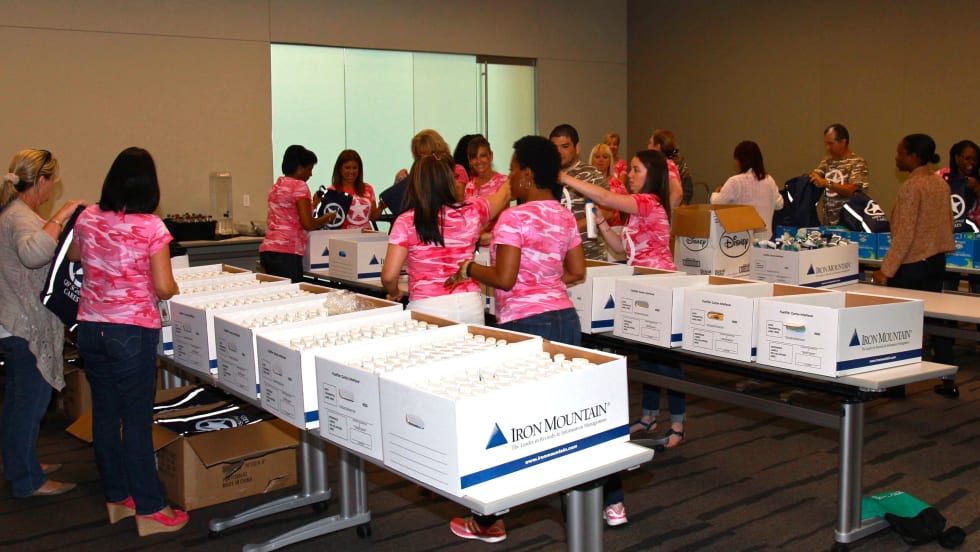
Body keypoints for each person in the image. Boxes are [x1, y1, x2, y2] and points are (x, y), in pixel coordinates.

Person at [444, 135, 595, 541]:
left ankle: (489, 520)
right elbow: (576, 270)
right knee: (563, 416)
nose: (509, 177)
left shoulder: (513, 218)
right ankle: (580, 509)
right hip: (565, 319)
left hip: (525, 324)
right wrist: (544, 283)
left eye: (512, 170)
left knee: (509, 423)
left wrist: (469, 269)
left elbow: (505, 278)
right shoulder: (563, 215)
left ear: (527, 174)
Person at [67, 147, 189, 535]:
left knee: (105, 415)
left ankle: (118, 497)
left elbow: (74, 256)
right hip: (131, 330)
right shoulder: (151, 227)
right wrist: (173, 286)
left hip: (91, 327)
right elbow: (164, 287)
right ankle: (151, 507)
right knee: (136, 421)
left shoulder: (88, 217)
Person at [561, 150, 686, 448]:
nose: (629, 174)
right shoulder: (639, 209)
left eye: (636, 169)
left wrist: (566, 177)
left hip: (660, 286)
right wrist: (602, 224)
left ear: (652, 174)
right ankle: (649, 417)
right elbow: (621, 248)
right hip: (642, 287)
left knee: (667, 363)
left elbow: (606, 196)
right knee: (649, 359)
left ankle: (678, 424)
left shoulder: (649, 201)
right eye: (630, 169)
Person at [0, 149, 84, 498]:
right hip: (22, 327)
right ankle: (27, 479)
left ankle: (20, 463)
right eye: (52, 181)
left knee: (18, 402)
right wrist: (64, 215)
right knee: (29, 404)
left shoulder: (14, 212)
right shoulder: (19, 216)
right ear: (42, 181)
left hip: (12, 323)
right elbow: (33, 253)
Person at [382, 153, 509, 325]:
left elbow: (389, 276)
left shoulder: (406, 221)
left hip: (427, 307)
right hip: (470, 304)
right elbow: (504, 194)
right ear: (450, 180)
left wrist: (394, 291)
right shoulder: (472, 210)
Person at [871, 134, 955, 364]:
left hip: (912, 266)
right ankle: (947, 371)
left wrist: (886, 270)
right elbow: (949, 222)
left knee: (898, 322)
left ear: (914, 157)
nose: (896, 158)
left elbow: (905, 234)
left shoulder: (912, 186)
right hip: (936, 262)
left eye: (901, 153)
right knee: (936, 320)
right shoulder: (941, 183)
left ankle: (897, 373)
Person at [259, 145, 335, 282]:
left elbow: (290, 214)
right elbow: (308, 224)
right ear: (299, 168)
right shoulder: (300, 186)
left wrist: (313, 205)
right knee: (292, 291)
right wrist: (327, 217)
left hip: (269, 250)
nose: (310, 174)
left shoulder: (277, 186)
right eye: (309, 169)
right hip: (288, 252)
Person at [549, 124, 609, 261]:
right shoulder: (545, 176)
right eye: (554, 147)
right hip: (555, 258)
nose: (558, 152)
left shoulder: (592, 174)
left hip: (589, 256)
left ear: (577, 148)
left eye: (565, 146)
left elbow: (607, 212)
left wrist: (570, 228)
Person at [711, 141, 784, 239]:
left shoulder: (735, 181)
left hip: (742, 240)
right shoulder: (769, 180)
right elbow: (780, 205)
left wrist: (716, 192)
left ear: (740, 160)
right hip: (766, 240)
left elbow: (716, 203)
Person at [808, 124, 870, 226]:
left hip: (850, 224)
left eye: (831, 143)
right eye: (826, 144)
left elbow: (854, 191)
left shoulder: (857, 163)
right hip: (829, 223)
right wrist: (816, 178)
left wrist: (827, 183)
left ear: (843, 142)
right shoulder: (827, 162)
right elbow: (814, 175)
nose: (828, 147)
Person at [464, 136, 508, 247]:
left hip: (497, 244)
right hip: (475, 246)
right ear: (469, 161)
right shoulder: (469, 186)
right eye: (474, 157)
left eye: (483, 155)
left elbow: (503, 215)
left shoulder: (503, 182)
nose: (479, 161)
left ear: (491, 156)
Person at [328, 149, 378, 230]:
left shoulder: (368, 188)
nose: (351, 171)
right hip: (342, 236)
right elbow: (329, 221)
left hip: (366, 235)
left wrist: (381, 207)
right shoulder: (331, 191)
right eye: (347, 168)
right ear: (340, 169)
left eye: (355, 168)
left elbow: (373, 217)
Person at [590, 142, 628, 228]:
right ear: (591, 159)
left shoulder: (617, 183)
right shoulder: (585, 182)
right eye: (597, 157)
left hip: (615, 228)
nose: (601, 160)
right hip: (592, 228)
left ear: (610, 160)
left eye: (605, 157)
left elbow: (626, 210)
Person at [649, 129, 689, 206]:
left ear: (657, 147)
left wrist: (665, 212)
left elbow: (678, 193)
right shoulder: (665, 164)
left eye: (650, 143)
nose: (648, 146)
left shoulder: (666, 165)